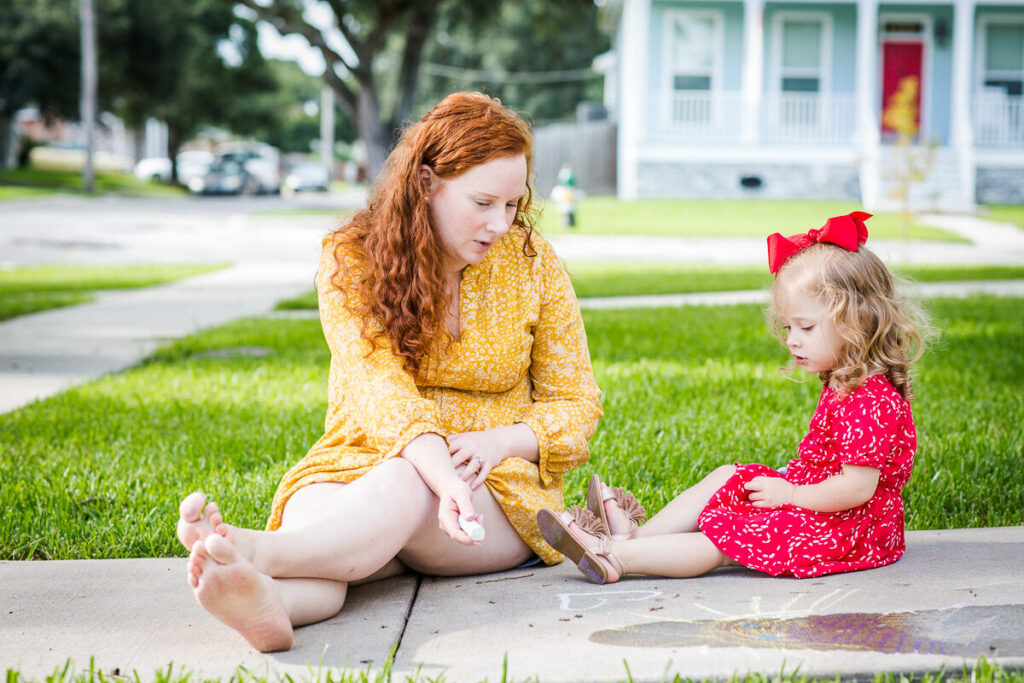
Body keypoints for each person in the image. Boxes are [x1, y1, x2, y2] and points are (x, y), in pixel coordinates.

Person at [176, 92, 603, 651]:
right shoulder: (351, 256)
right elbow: (380, 387)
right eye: (482, 203)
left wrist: (495, 444)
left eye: (512, 205)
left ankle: (259, 552)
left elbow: (577, 404)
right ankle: (269, 604)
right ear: (425, 183)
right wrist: (439, 473)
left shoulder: (533, 262)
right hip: (357, 456)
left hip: (491, 489)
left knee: (401, 485)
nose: (500, 224)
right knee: (332, 546)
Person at [539, 211, 927, 584]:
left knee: (729, 541)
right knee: (730, 476)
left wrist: (790, 494)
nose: (792, 339)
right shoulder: (847, 381)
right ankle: (635, 540)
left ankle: (614, 557)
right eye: (789, 326)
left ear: (855, 321)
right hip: (823, 503)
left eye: (805, 327)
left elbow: (857, 488)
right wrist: (790, 490)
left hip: (851, 529)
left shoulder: (870, 399)